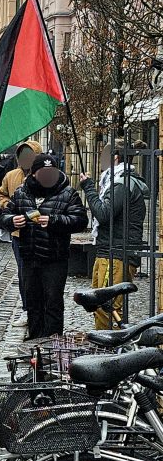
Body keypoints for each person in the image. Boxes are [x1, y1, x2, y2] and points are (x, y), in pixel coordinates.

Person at [0, 154, 89, 340]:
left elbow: (80, 221)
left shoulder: (68, 193)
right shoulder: (21, 193)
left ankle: (51, 343)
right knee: (33, 303)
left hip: (54, 259)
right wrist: (11, 221)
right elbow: (3, 217)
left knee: (53, 303)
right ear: (34, 175)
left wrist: (54, 220)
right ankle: (34, 342)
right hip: (29, 257)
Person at [79, 139, 149, 329]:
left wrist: (89, 189)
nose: (100, 159)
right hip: (107, 250)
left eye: (103, 155)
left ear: (115, 158)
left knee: (108, 307)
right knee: (98, 303)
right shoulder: (114, 181)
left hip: (117, 254)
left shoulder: (121, 184)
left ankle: (108, 351)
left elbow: (103, 214)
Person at [0, 139, 43, 327]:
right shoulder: (11, 176)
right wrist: (7, 205)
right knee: (24, 273)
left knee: (41, 273)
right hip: (19, 234)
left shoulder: (44, 175)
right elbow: (1, 195)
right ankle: (27, 309)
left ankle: (42, 310)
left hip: (41, 233)